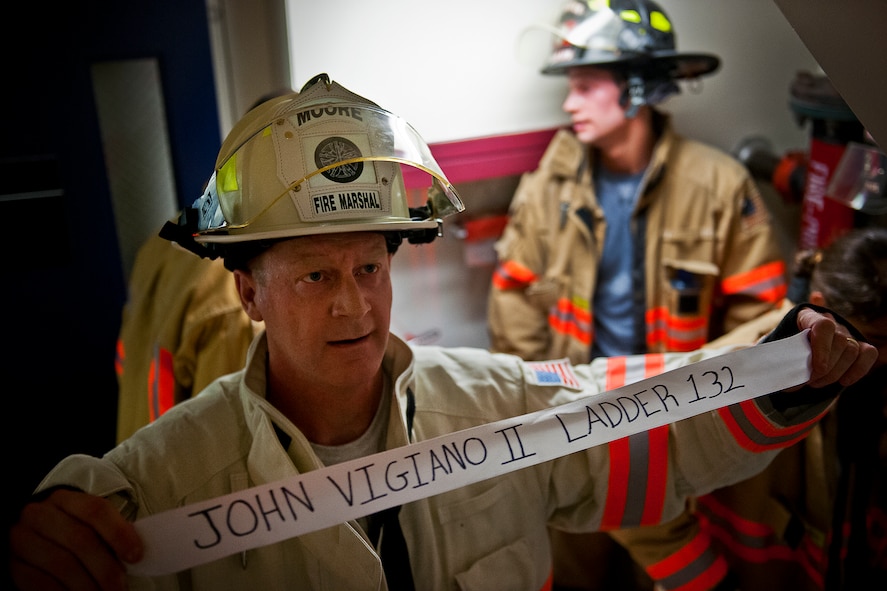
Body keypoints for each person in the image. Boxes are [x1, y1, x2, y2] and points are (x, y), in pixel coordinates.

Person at [6, 74, 875, 591]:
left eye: (369, 268)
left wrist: (786, 371)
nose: (354, 304)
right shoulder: (161, 484)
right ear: (249, 292)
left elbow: (652, 439)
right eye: (315, 274)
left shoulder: (492, 405)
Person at [487, 1, 791, 588]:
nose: (569, 102)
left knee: (677, 564)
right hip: (572, 420)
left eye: (584, 85)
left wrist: (692, 393)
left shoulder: (718, 185)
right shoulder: (547, 187)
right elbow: (514, 303)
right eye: (568, 86)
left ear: (635, 88)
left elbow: (763, 319)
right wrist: (541, 410)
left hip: (675, 425)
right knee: (577, 566)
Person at [680, 226, 886, 590]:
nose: (881, 357)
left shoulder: (867, 371)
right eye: (879, 340)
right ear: (823, 304)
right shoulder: (736, 366)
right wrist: (708, 581)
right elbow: (635, 487)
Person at [114, 89, 292, 443]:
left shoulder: (168, 237)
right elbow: (231, 434)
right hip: (180, 479)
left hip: (135, 450)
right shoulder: (233, 285)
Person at [115, 232, 260, 442]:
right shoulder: (230, 291)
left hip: (139, 451)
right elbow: (227, 437)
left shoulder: (162, 242)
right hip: (177, 465)